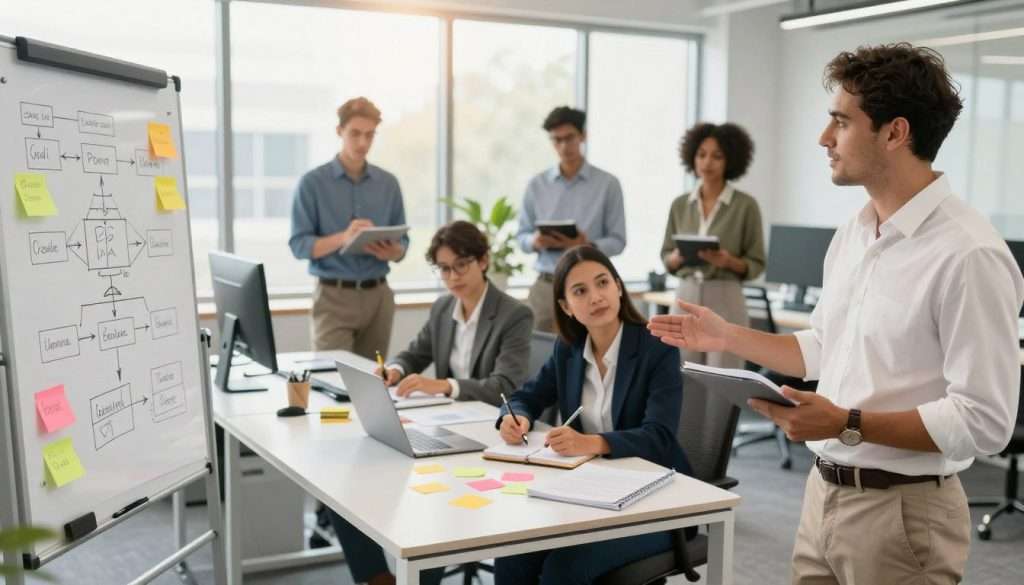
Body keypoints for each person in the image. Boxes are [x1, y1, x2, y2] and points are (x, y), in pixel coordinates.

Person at [649, 43, 1024, 585]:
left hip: (903, 513)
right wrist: (725, 333)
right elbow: (820, 346)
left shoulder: (969, 254)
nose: (824, 139)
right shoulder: (854, 232)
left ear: (895, 133)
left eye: (840, 123)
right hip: (822, 494)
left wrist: (846, 423)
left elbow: (984, 421)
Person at [329, 220, 534, 585]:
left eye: (461, 265)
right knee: (344, 489)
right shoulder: (443, 309)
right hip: (447, 428)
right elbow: (414, 353)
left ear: (483, 261)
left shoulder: (513, 314)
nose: (452, 276)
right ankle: (378, 578)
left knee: (428, 508)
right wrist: (393, 369)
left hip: (491, 437)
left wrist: (443, 385)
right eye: (443, 268)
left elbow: (505, 385)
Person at [495, 245, 691, 585]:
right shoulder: (568, 349)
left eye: (602, 283)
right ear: (565, 306)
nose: (595, 297)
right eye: (580, 291)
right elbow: (527, 396)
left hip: (654, 505)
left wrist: (591, 442)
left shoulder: (656, 347)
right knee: (512, 552)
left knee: (565, 569)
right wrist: (516, 418)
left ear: (618, 286)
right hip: (590, 494)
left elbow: (659, 436)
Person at [289, 96, 408, 359]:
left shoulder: (389, 184)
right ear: (339, 131)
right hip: (333, 298)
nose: (363, 143)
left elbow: (404, 245)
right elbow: (299, 246)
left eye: (370, 135)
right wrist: (345, 237)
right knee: (331, 380)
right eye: (355, 133)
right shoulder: (312, 183)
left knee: (373, 382)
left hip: (379, 296)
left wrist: (393, 252)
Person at [660, 122, 765, 368]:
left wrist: (728, 261)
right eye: (701, 154)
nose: (707, 162)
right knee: (682, 375)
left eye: (717, 156)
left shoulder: (746, 206)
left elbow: (757, 263)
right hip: (685, 295)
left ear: (731, 161)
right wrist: (676, 258)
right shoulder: (680, 204)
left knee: (724, 375)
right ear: (692, 158)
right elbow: (665, 254)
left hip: (725, 296)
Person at [516, 106, 627, 333]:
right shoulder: (536, 185)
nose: (564, 146)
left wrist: (587, 246)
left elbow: (618, 240)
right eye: (557, 140)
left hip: (591, 289)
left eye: (569, 138)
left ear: (583, 135)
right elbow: (522, 237)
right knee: (541, 356)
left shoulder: (608, 184)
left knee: (591, 356)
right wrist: (534, 241)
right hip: (546, 287)